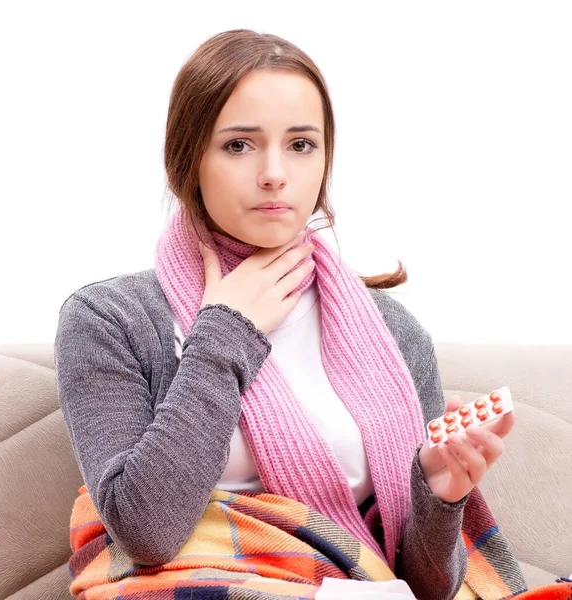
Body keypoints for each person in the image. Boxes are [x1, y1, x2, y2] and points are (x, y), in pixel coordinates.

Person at [54, 29, 515, 600]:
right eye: (239, 145)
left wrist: (439, 494)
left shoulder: (395, 335)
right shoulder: (107, 321)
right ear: (188, 159)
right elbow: (146, 531)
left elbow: (423, 587)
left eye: (300, 145)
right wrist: (224, 331)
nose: (275, 173)